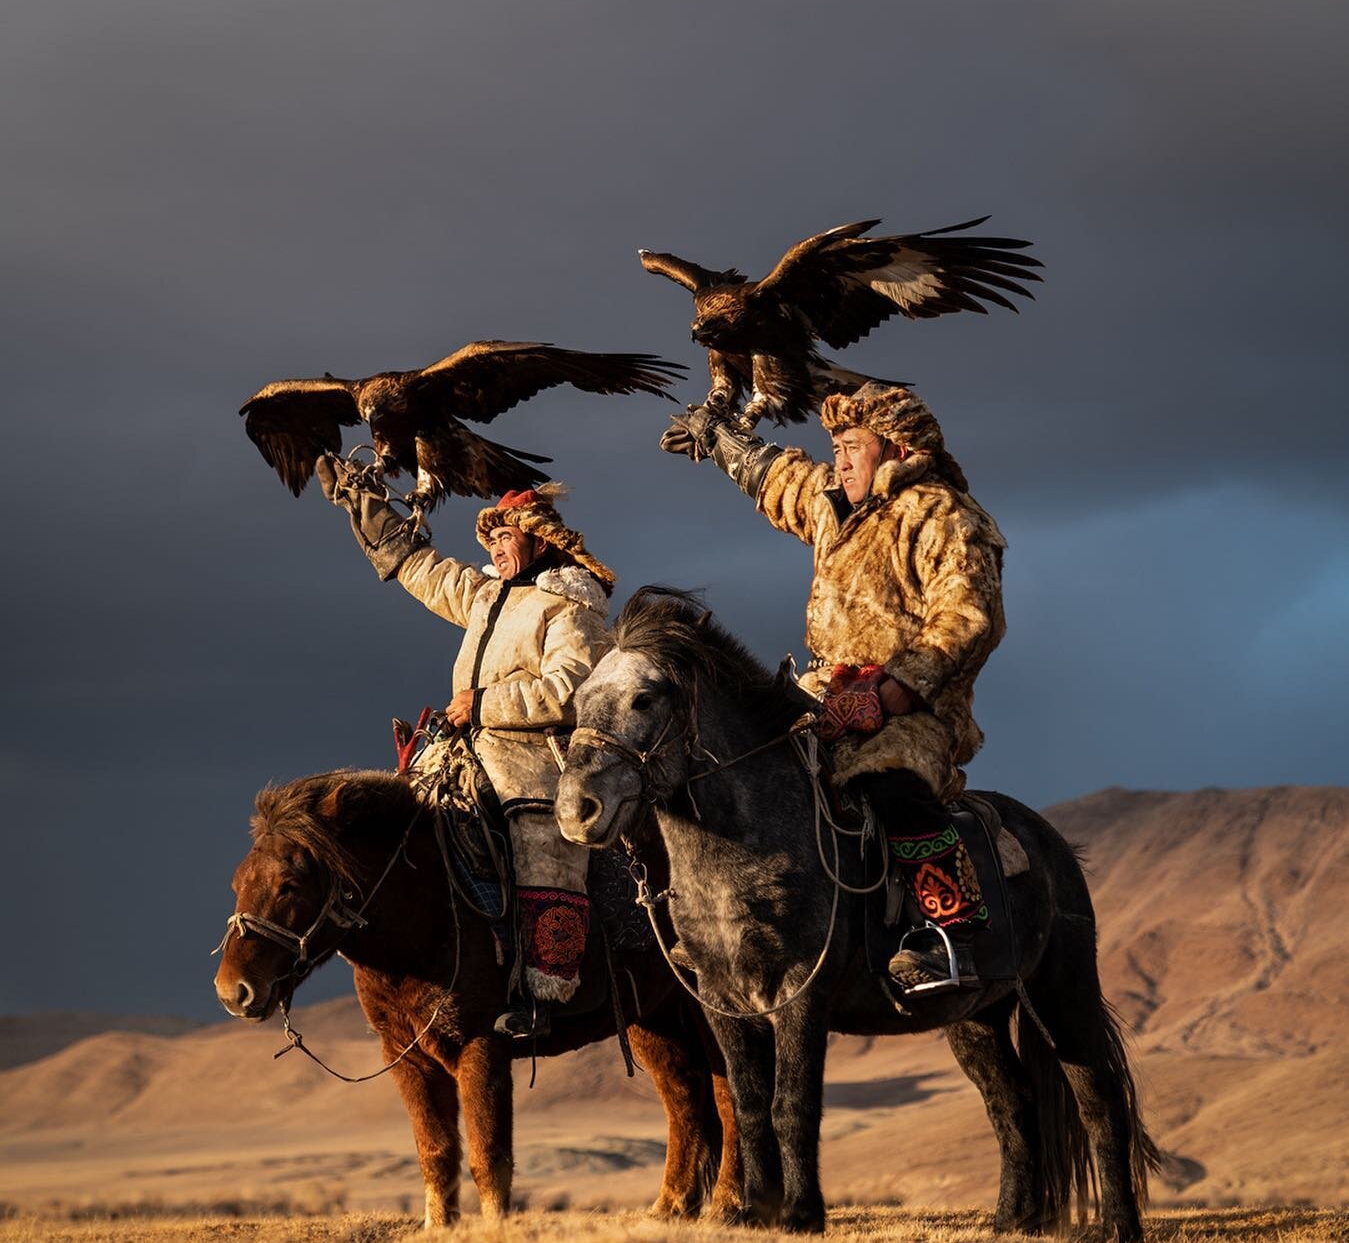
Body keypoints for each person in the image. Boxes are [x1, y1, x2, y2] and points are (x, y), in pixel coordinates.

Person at [661, 382, 1006, 994]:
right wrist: (719, 441)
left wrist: (894, 691)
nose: (839, 459)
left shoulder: (944, 514)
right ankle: (718, 923)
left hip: (913, 710)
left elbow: (968, 619)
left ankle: (947, 933)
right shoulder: (832, 506)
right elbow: (779, 479)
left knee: (889, 783)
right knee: (740, 767)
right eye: (835, 447)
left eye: (851, 446)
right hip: (821, 697)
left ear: (896, 448)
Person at [315, 459, 612, 1038]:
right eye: (492, 538)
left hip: (534, 759)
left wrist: (485, 704)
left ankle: (542, 988)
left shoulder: (570, 610)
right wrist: (369, 512)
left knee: (538, 840)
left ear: (540, 538)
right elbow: (431, 573)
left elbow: (573, 689)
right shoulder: (487, 596)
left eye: (506, 535)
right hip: (460, 748)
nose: (497, 548)